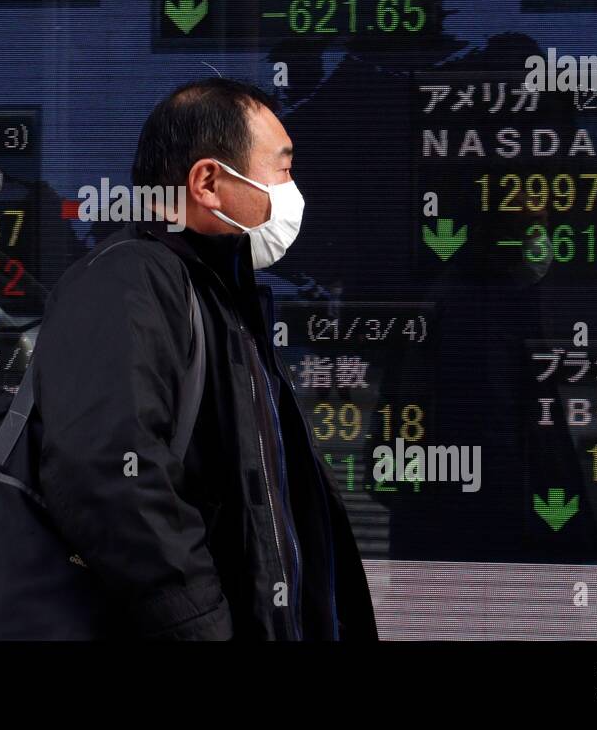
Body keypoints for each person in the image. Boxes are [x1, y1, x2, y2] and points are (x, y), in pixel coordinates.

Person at [31, 77, 378, 640]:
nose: (293, 192)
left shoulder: (221, 300)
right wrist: (205, 630)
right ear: (209, 182)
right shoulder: (129, 280)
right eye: (283, 169)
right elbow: (111, 476)